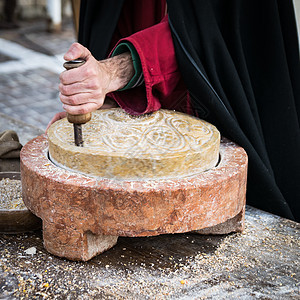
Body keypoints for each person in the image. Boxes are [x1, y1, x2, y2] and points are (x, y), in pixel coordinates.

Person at [49, 0, 300, 222]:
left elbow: (206, 27)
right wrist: (109, 99)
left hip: (218, 103)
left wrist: (113, 72)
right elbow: (116, 12)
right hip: (139, 103)